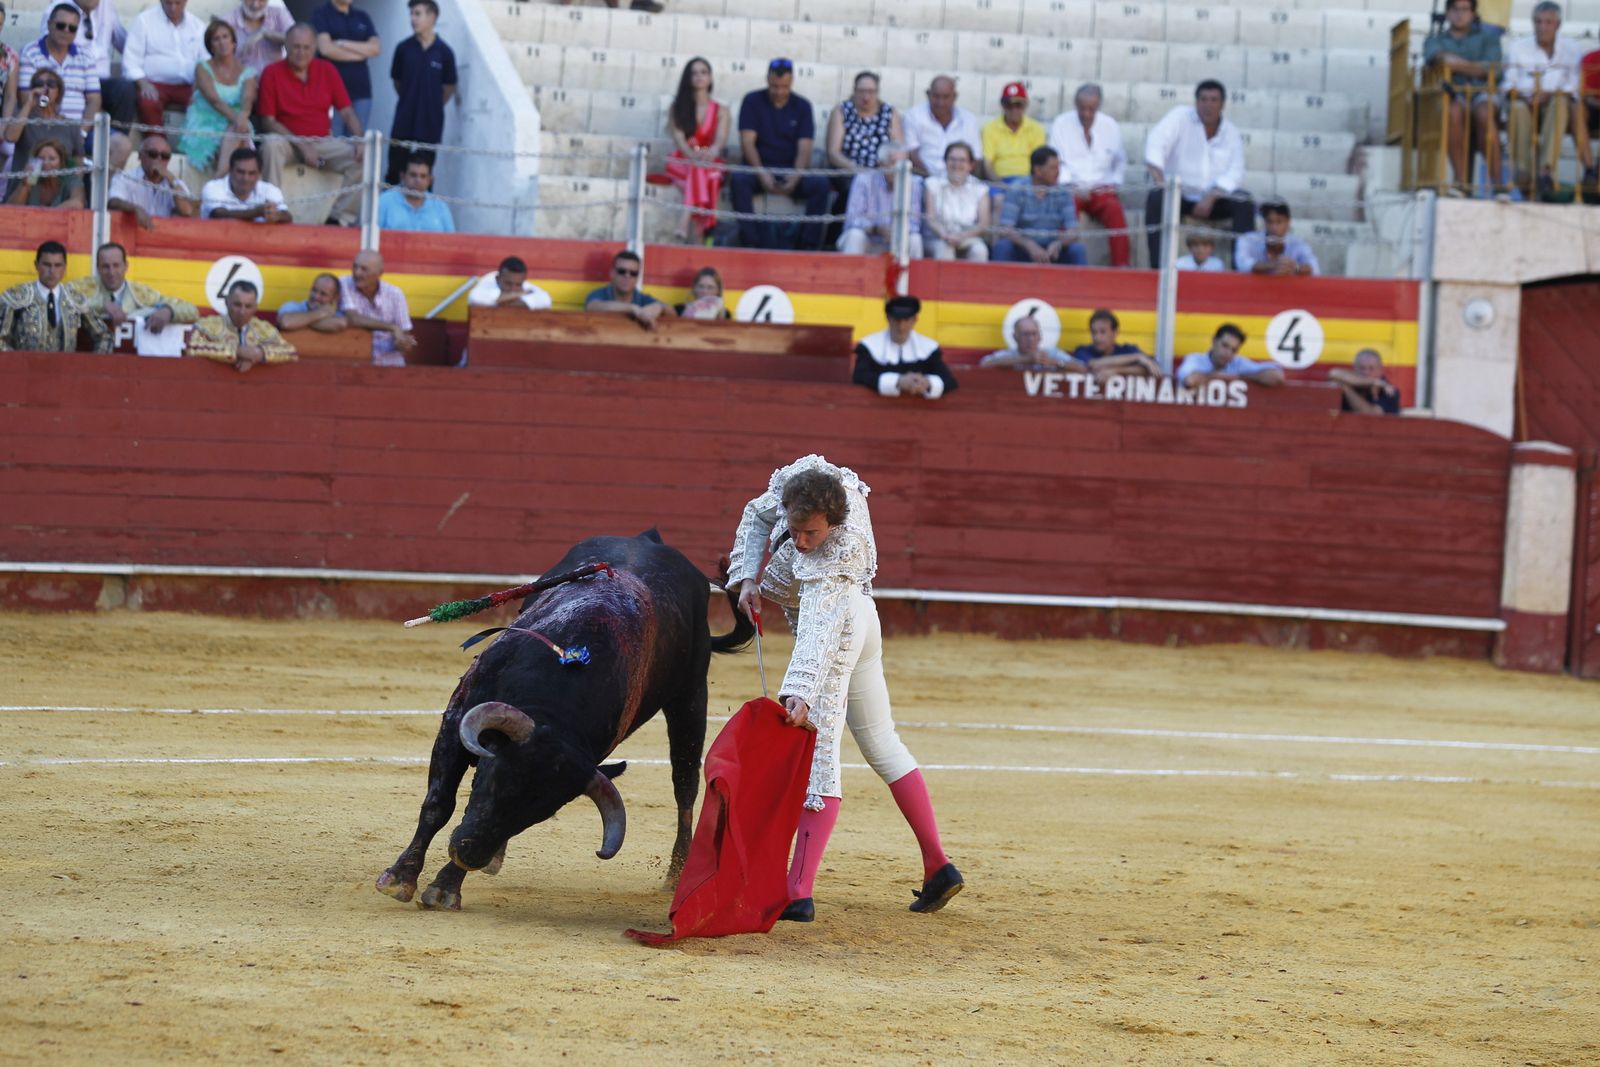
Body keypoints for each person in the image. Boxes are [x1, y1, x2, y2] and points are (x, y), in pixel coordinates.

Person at [726, 455, 963, 922]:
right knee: (881, 742)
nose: (801, 541)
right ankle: (939, 865)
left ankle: (798, 892)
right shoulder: (797, 491)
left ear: (834, 523)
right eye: (795, 530)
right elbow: (756, 515)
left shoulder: (839, 553)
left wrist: (801, 691)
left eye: (811, 533)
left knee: (820, 753)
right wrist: (748, 576)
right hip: (863, 621)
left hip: (843, 626)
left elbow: (819, 628)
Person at [257, 22, 364, 227]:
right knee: (270, 144)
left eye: (307, 47)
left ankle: (338, 219)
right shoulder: (271, 72)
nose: (301, 52)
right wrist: (302, 145)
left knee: (362, 158)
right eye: (296, 47)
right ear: (286, 46)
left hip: (321, 143)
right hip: (287, 143)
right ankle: (272, 209)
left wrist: (359, 138)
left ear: (314, 48)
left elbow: (347, 112)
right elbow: (268, 122)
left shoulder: (327, 70)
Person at [1144, 80, 1253, 268]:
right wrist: (1161, 182)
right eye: (1203, 99)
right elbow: (1155, 144)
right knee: (1156, 197)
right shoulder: (1179, 117)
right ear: (1196, 102)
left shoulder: (1231, 133)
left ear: (1223, 104)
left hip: (1215, 199)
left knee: (1244, 201)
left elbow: (1236, 172)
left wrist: (1211, 197)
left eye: (1213, 100)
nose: (1208, 105)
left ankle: (1241, 269)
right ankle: (1158, 268)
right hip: (1180, 196)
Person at [731, 58, 829, 251]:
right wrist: (762, 174)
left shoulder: (802, 106)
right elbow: (748, 143)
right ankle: (750, 242)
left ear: (791, 82)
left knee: (821, 185)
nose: (779, 91)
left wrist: (796, 175)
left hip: (791, 169)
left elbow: (805, 147)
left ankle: (808, 247)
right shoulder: (752, 100)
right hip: (759, 168)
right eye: (774, 86)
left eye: (784, 86)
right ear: (767, 80)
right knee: (738, 180)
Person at [1504, 2, 1596, 198]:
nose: (1542, 27)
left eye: (1548, 22)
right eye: (1538, 22)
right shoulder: (1518, 47)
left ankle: (1545, 171)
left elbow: (1573, 86)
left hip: (1554, 104)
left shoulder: (1571, 48)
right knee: (1518, 107)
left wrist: (1550, 93)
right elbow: (1508, 84)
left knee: (1562, 103)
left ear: (1558, 25)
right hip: (1525, 102)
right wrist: (1525, 96)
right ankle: (1524, 173)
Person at [1048, 83, 1131, 268]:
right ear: (1075, 104)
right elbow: (1056, 162)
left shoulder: (1110, 126)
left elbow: (1120, 161)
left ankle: (1121, 266)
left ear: (1098, 106)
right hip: (1071, 187)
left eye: (1091, 109)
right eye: (1082, 108)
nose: (1086, 113)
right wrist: (1071, 185)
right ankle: (1061, 260)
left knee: (1115, 210)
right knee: (1067, 210)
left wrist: (1114, 184)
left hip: (1102, 188)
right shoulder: (1061, 124)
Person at [1424, 0, 1502, 193]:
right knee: (1453, 112)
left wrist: (1455, 63)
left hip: (1483, 94)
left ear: (1473, 13)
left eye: (1465, 9)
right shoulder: (1434, 39)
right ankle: (1462, 183)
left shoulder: (1489, 38)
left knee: (1484, 115)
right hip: (1452, 95)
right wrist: (1477, 68)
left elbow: (1493, 70)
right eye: (1455, 9)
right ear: (1448, 13)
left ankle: (1499, 185)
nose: (1460, 14)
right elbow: (1436, 59)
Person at [824, 70, 903, 237]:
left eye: (871, 92)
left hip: (883, 170)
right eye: (862, 91)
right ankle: (835, 237)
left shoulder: (890, 112)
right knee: (854, 186)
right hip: (848, 169)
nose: (866, 96)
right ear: (854, 90)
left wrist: (884, 170)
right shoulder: (841, 111)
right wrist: (857, 169)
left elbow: (899, 149)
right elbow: (833, 152)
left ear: (877, 92)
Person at [67, 241, 199, 340]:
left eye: (116, 265)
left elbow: (192, 310)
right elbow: (56, 301)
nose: (112, 272)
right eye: (105, 267)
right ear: (98, 268)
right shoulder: (82, 288)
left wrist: (169, 311)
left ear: (126, 266)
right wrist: (100, 305)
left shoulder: (141, 293)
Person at [387, 0, 456, 187]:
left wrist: (432, 104)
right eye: (411, 14)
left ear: (432, 17)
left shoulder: (445, 52)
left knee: (424, 178)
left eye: (417, 14)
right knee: (394, 173)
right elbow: (397, 81)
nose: (412, 19)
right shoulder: (403, 49)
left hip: (430, 125)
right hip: (403, 121)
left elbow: (450, 86)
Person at [35, 0, 134, 129]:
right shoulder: (57, 11)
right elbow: (48, 54)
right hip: (73, 80)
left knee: (125, 88)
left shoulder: (107, 5)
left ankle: (113, 138)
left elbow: (125, 43)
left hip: (101, 80)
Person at [177, 18, 256, 176]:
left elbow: (247, 99)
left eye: (225, 37)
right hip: (206, 119)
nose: (222, 42)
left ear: (234, 42)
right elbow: (214, 100)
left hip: (236, 120)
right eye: (216, 39)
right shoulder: (202, 67)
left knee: (237, 135)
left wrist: (243, 116)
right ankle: (222, 182)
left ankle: (218, 181)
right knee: (239, 139)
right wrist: (238, 119)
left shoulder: (247, 71)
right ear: (210, 46)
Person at [0, 240, 110, 352]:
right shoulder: (16, 296)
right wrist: (16, 363)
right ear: (36, 265)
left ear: (64, 268)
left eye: (57, 265)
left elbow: (104, 336)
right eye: (46, 265)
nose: (52, 271)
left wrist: (92, 366)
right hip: (26, 368)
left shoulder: (75, 299)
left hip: (65, 368)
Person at [663, 57, 729, 243]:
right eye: (694, 73)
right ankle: (701, 233)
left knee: (702, 170)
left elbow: (720, 141)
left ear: (710, 77)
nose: (699, 76)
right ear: (687, 78)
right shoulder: (677, 108)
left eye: (704, 72)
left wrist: (710, 153)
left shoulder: (721, 110)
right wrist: (693, 156)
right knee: (701, 172)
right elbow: (680, 141)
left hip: (709, 160)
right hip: (682, 161)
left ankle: (684, 221)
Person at [992, 146, 1087, 265]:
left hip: (1052, 250)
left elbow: (1073, 230)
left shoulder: (1063, 192)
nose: (1058, 172)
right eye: (1053, 168)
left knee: (1077, 249)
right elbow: (1005, 229)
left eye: (1058, 167)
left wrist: (1059, 244)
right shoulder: (1017, 189)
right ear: (1037, 170)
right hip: (1022, 248)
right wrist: (1029, 245)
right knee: (1003, 247)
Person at [852, 294, 958, 398]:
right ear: (888, 318)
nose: (901, 326)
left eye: (906, 320)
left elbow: (949, 381)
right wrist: (898, 381)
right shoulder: (869, 346)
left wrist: (927, 383)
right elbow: (859, 377)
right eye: (897, 320)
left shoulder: (929, 348)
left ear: (914, 320)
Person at [123, 0, 205, 130]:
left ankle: (197, 147)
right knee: (147, 102)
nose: (173, 8)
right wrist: (143, 83)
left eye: (177, 3)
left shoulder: (197, 26)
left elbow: (205, 61)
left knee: (206, 102)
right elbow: (131, 58)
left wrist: (199, 87)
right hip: (154, 84)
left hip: (189, 85)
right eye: (168, 3)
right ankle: (157, 144)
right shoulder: (144, 21)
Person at [17, 4, 102, 126]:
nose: (66, 31)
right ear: (49, 24)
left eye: (72, 28)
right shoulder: (30, 53)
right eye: (61, 26)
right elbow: (25, 97)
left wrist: (81, 133)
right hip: (41, 127)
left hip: (78, 130)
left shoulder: (86, 56)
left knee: (121, 144)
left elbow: (94, 100)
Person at [185, 279, 295, 371]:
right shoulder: (207, 325)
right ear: (226, 302)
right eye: (237, 305)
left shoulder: (264, 329)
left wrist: (259, 354)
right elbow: (191, 347)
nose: (242, 312)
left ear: (256, 307)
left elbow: (291, 352)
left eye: (248, 306)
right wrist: (238, 351)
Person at [837, 144, 923, 257]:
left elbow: (915, 223)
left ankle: (913, 275)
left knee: (915, 239)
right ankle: (851, 274)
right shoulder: (864, 180)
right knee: (854, 235)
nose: (899, 168)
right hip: (869, 239)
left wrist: (897, 231)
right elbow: (853, 220)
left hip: (899, 241)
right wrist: (876, 228)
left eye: (903, 164)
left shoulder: (915, 183)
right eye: (893, 162)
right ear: (881, 164)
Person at [311, 0, 378, 139]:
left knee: (357, 144)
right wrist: (362, 54)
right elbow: (326, 49)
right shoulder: (321, 14)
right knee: (333, 142)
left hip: (361, 92)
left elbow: (376, 49)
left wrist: (342, 43)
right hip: (329, 93)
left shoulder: (362, 16)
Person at [340, 250, 416, 366]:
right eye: (355, 267)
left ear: (379, 273)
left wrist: (402, 342)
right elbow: (353, 318)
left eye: (364, 269)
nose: (357, 273)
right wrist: (392, 328)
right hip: (356, 360)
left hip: (390, 361)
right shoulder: (343, 283)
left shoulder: (395, 294)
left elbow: (404, 332)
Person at [107, 132, 198, 230]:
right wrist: (135, 209)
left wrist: (171, 178)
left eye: (165, 156)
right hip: (132, 232)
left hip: (162, 236)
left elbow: (187, 211)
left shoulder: (175, 183)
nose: (159, 159)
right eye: (153, 154)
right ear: (140, 156)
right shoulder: (125, 178)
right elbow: (113, 201)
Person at [905, 75, 982, 180]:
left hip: (960, 180)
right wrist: (931, 180)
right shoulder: (913, 116)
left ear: (954, 97)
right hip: (923, 178)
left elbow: (975, 157)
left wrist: (957, 179)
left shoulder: (969, 120)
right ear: (928, 94)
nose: (940, 102)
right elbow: (911, 153)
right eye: (936, 96)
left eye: (946, 97)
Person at [5, 68, 86, 169]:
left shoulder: (70, 125)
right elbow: (10, 137)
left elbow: (78, 160)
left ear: (58, 92)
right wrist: (29, 104)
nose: (45, 88)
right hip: (26, 183)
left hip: (58, 183)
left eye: (51, 84)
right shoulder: (24, 118)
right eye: (39, 84)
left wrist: (74, 183)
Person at [922, 141, 990, 261]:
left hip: (968, 237)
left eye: (962, 160)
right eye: (952, 159)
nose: (956, 164)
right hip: (938, 238)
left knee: (979, 251)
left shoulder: (980, 188)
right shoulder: (933, 183)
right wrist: (945, 235)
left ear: (971, 165)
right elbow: (930, 218)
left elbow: (983, 224)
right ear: (945, 162)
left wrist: (961, 236)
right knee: (945, 250)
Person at [585, 248, 673, 330]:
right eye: (621, 271)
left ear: (638, 277)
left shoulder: (643, 299)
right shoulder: (599, 294)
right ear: (612, 273)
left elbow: (673, 313)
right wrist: (633, 309)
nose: (627, 276)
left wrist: (660, 307)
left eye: (633, 273)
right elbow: (593, 307)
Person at [1175, 323, 1284, 389]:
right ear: (1214, 341)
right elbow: (1189, 381)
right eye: (1225, 346)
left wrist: (1239, 377)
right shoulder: (1196, 359)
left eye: (1233, 350)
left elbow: (1276, 376)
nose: (1228, 353)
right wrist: (1217, 376)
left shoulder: (1238, 363)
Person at [1069, 308, 1163, 382]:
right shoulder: (1083, 350)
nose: (1097, 337)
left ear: (1115, 333)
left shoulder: (1128, 350)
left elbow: (1150, 369)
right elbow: (1092, 364)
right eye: (1094, 332)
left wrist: (1116, 371)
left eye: (1103, 332)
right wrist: (1137, 357)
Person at [200, 146, 290, 222]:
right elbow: (219, 214)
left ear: (259, 174)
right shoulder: (213, 187)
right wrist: (256, 212)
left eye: (251, 173)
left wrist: (277, 216)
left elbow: (287, 217)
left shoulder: (270, 190)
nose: (245, 178)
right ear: (230, 171)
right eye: (240, 172)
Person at [980, 81, 1045, 185]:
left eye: (1018, 105)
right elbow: (988, 164)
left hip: (1027, 182)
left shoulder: (1036, 129)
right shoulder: (990, 128)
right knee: (998, 199)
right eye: (1009, 105)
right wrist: (999, 183)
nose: (1014, 109)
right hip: (1000, 181)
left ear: (1026, 105)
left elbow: (1040, 163)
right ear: (1002, 105)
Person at [1234, 200, 1319, 276]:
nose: (1274, 228)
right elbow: (1242, 264)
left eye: (1279, 222)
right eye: (1270, 222)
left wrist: (1295, 268)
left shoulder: (1298, 243)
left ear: (1288, 222)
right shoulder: (1248, 240)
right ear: (1264, 222)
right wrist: (1272, 266)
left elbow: (1314, 268)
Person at [378, 155, 455, 232]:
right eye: (413, 175)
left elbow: (451, 241)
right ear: (402, 176)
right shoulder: (385, 201)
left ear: (430, 180)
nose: (418, 180)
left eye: (423, 176)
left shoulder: (440, 206)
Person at [978, 314, 1083, 370]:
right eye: (1025, 334)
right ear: (1015, 337)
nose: (1031, 339)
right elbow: (984, 364)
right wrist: (1025, 359)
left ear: (1040, 336)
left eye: (1034, 334)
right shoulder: (1008, 355)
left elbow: (1082, 368)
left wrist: (1056, 363)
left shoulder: (1052, 353)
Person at [4, 139, 84, 208]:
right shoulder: (32, 181)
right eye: (41, 158)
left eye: (52, 159)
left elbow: (77, 203)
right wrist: (24, 185)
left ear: (61, 163)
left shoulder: (71, 180)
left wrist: (45, 216)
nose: (46, 163)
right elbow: (11, 208)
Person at [224, 0, 293, 76]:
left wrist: (266, 34)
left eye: (261, 0)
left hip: (275, 79)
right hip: (244, 82)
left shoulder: (278, 13)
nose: (255, 5)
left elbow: (297, 39)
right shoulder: (228, 20)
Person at [1329, 348, 1402, 414]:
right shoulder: (1351, 380)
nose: (1366, 373)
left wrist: (1346, 389)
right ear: (1355, 368)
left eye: (1371, 369)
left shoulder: (1389, 391)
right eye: (1362, 368)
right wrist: (1371, 382)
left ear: (1380, 370)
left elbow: (1372, 415)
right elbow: (1333, 373)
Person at [467, 256, 552, 311]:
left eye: (518, 285)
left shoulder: (523, 284)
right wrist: (520, 294)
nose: (513, 289)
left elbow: (546, 300)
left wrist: (504, 300)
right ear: (497, 279)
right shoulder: (488, 281)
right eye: (508, 284)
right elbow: (476, 298)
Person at [275, 271, 345, 331]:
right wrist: (321, 313)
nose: (316, 296)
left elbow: (341, 324)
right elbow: (286, 322)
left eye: (323, 294)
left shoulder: (336, 314)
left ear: (334, 298)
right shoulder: (291, 306)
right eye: (314, 290)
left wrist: (298, 322)